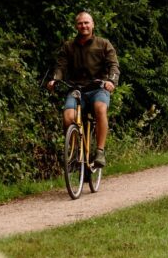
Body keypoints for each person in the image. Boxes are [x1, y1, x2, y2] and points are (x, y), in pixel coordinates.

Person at [46, 10, 118, 168]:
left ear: (93, 25)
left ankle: (99, 151)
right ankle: (74, 152)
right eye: (80, 23)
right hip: (76, 89)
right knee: (68, 117)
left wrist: (111, 81)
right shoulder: (68, 46)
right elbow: (60, 66)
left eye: (86, 23)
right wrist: (55, 79)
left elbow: (113, 65)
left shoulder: (103, 44)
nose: (83, 26)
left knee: (100, 108)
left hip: (98, 88)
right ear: (76, 26)